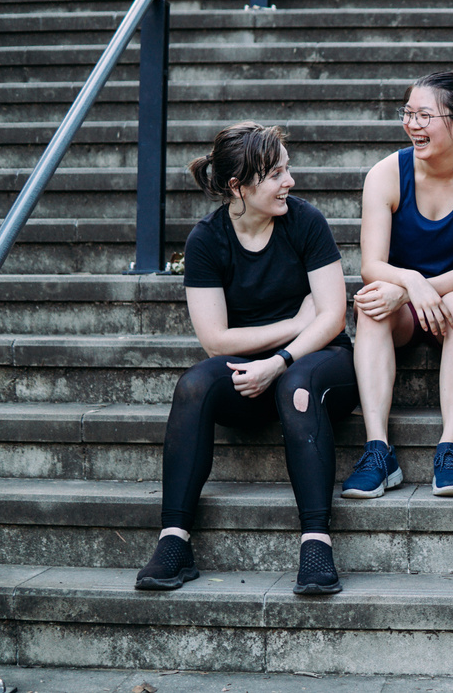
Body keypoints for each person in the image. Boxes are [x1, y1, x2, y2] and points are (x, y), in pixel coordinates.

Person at [135, 122, 358, 595]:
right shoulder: (207, 240)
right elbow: (216, 341)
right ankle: (174, 541)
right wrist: (294, 325)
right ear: (238, 186)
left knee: (297, 386)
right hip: (256, 369)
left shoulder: (305, 222)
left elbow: (333, 317)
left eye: (287, 170)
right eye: (276, 174)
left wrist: (281, 359)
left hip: (320, 363)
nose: (289, 182)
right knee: (195, 385)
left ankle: (316, 543)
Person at [343, 72, 453, 499]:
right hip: (403, 306)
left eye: (424, 115)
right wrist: (409, 283)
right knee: (372, 303)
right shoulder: (386, 174)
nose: (412, 124)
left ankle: (449, 449)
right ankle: (378, 450)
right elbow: (372, 265)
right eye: (408, 114)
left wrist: (424, 287)